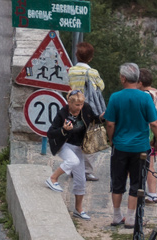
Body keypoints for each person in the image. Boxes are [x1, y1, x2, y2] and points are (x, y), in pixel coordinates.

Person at [105, 62, 157, 228]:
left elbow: (110, 123)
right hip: (140, 148)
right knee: (136, 183)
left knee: (117, 182)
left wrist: (112, 139)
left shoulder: (115, 97)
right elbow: (154, 124)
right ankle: (130, 219)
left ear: (123, 78)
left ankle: (116, 216)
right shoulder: (145, 97)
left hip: (120, 146)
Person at [46, 90, 92, 220]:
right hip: (63, 144)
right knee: (72, 161)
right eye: (77, 105)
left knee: (81, 179)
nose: (80, 107)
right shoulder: (62, 113)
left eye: (81, 104)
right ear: (69, 103)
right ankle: (53, 178)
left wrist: (102, 117)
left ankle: (78, 209)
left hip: (78, 146)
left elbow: (94, 118)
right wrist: (63, 130)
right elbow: (50, 133)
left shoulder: (85, 109)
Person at [70, 42, 107, 182]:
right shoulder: (93, 73)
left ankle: (74, 168)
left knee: (75, 139)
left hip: (74, 108)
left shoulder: (71, 71)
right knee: (90, 139)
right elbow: (101, 87)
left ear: (76, 55)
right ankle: (86, 171)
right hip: (89, 111)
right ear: (90, 58)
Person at [142, 69, 157, 204]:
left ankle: (151, 194)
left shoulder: (146, 95)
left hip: (149, 133)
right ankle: (152, 193)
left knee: (148, 165)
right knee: (150, 164)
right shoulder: (156, 92)